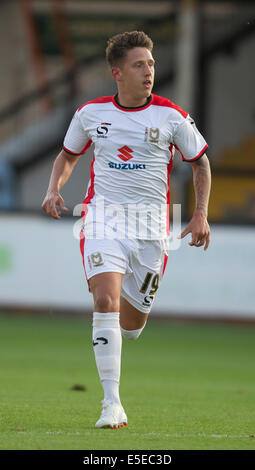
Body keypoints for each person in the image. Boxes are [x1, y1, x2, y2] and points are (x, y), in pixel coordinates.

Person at [42, 31, 211, 429]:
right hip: (103, 218)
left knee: (131, 327)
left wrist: (200, 214)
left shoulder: (171, 116)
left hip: (152, 230)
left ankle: (115, 336)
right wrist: (54, 189)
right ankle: (111, 403)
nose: (149, 71)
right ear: (117, 73)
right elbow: (67, 156)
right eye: (139, 65)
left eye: (151, 64)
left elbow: (200, 163)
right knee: (104, 301)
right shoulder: (90, 114)